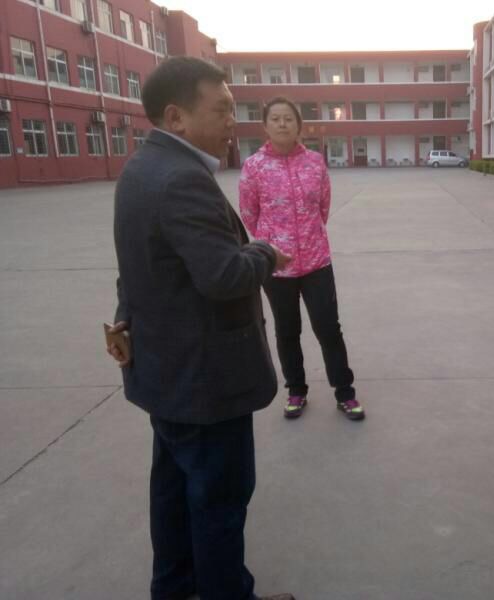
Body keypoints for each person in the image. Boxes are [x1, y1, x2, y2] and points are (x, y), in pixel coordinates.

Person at [106, 56, 294, 600]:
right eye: (221, 110)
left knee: (173, 492)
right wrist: (265, 252)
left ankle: (175, 589)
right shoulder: (181, 179)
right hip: (205, 381)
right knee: (219, 500)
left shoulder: (142, 168)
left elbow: (138, 268)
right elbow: (223, 275)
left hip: (166, 373)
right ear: (176, 117)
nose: (233, 121)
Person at [239, 97, 364, 421]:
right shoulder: (254, 166)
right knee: (287, 331)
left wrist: (309, 237)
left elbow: (323, 206)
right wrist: (272, 243)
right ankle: (296, 390)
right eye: (275, 119)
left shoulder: (315, 162)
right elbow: (249, 213)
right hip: (276, 266)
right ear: (265, 126)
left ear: (298, 126)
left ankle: (345, 392)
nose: (282, 124)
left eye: (288, 119)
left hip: (316, 261)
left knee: (328, 328)